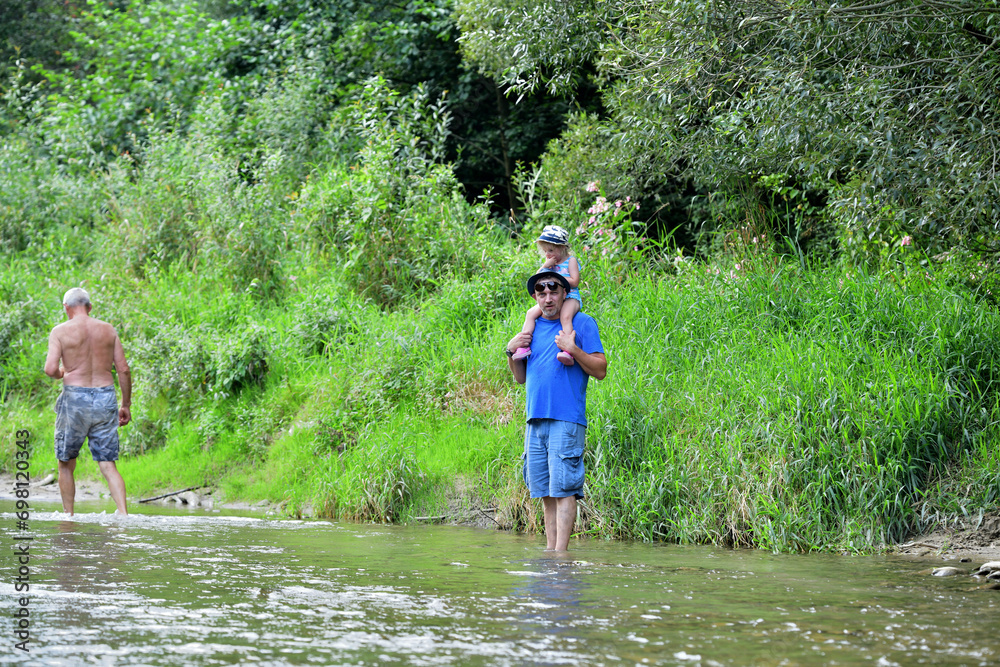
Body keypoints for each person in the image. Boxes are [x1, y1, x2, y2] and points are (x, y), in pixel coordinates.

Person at [506, 269, 607, 551]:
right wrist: (510, 352)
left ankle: (561, 557)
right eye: (541, 292)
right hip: (534, 420)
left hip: (566, 418)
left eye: (553, 291)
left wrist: (572, 349)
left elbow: (600, 370)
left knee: (564, 489)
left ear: (565, 293)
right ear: (535, 296)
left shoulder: (582, 323)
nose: (548, 298)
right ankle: (551, 554)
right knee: (544, 491)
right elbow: (520, 377)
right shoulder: (531, 328)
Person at [44, 288, 132, 516]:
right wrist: (126, 405)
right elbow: (123, 369)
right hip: (105, 397)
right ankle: (124, 514)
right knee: (108, 464)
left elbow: (50, 369)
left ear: (66, 308)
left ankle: (69, 517)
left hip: (74, 399)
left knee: (66, 463)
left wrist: (63, 372)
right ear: (90, 307)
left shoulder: (60, 331)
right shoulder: (108, 330)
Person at [511, 225, 582, 366]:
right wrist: (545, 266)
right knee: (530, 313)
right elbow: (537, 277)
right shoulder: (549, 263)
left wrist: (556, 277)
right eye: (545, 251)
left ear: (562, 247)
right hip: (553, 297)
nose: (548, 254)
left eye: (551, 250)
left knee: (565, 317)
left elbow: (574, 281)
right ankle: (523, 346)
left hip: (571, 296)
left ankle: (567, 349)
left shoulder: (570, 260)